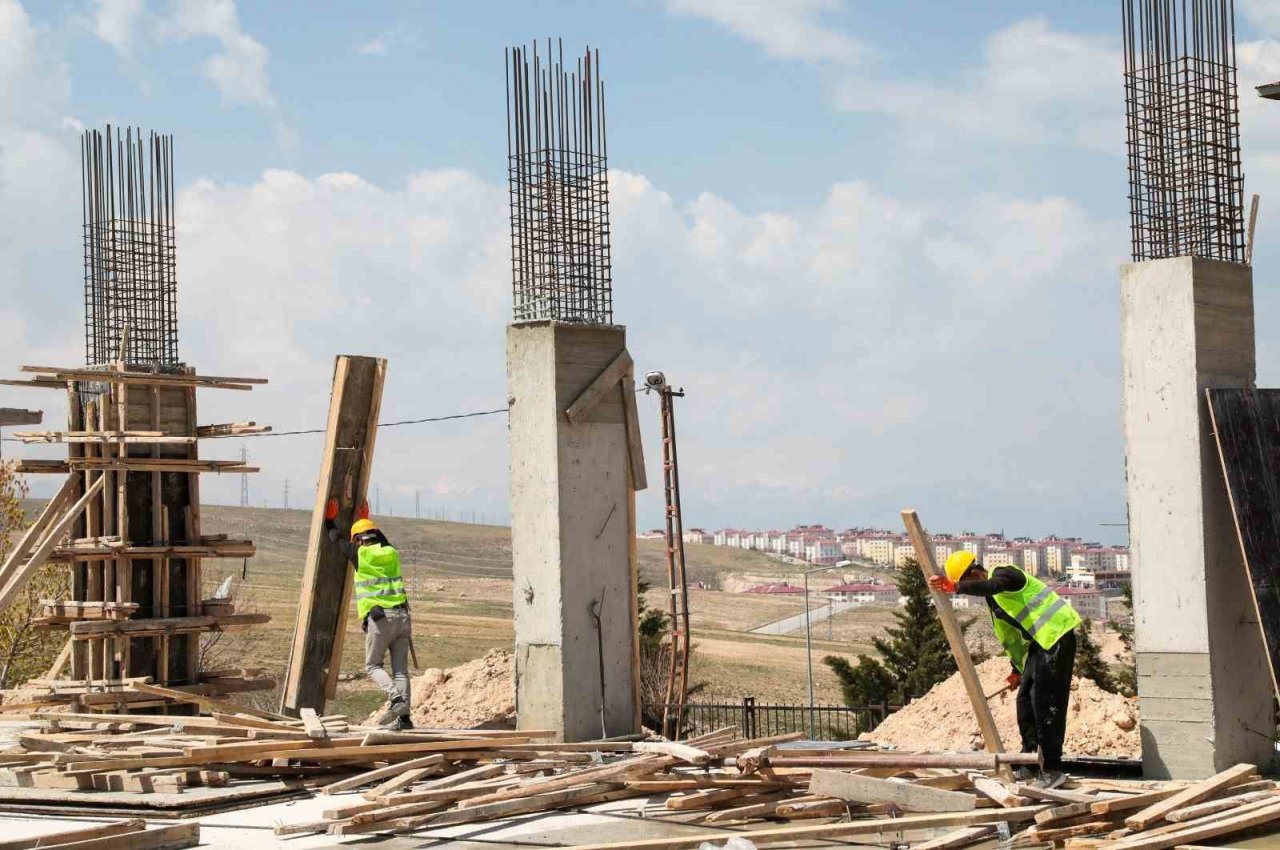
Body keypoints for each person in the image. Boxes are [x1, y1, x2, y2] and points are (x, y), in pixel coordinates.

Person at [927, 551, 1081, 789]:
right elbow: (1011, 638)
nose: (973, 588)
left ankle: (1052, 769)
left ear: (976, 573)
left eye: (971, 583)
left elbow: (993, 584)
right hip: (1040, 645)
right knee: (1025, 702)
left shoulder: (1005, 574)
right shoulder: (995, 603)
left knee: (1046, 704)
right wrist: (1017, 670)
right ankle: (1029, 762)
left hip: (1058, 636)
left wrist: (955, 587)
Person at [325, 502, 413, 730]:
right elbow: (381, 540)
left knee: (373, 665)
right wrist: (367, 519)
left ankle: (396, 700)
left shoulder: (359, 554)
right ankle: (404, 720)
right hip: (403, 618)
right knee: (401, 671)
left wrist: (328, 520)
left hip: (381, 619)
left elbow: (335, 539)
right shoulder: (390, 552)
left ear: (357, 540)